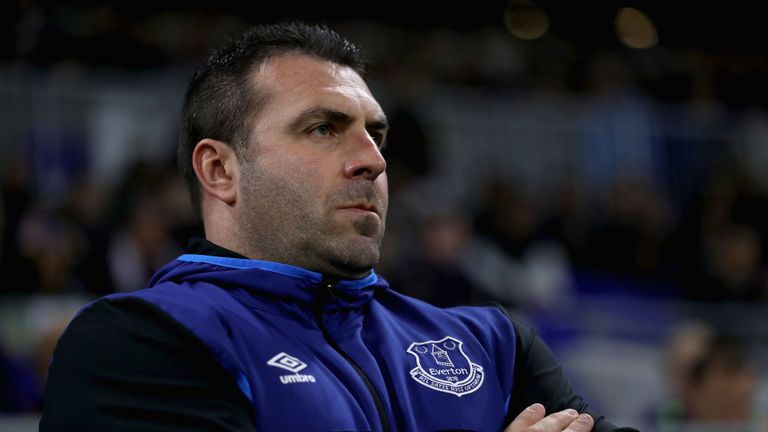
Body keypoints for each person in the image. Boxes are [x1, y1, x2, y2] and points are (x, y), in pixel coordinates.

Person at [40, 22, 637, 431]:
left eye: (375, 134)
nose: (373, 160)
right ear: (220, 169)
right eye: (323, 128)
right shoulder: (138, 341)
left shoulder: (493, 343)